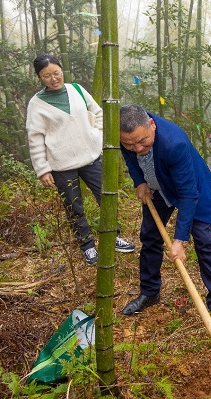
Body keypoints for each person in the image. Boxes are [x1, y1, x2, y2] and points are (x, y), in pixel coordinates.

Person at [119, 105, 211, 321]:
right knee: (150, 236)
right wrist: (140, 181)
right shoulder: (128, 136)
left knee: (203, 240)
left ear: (152, 125)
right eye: (129, 144)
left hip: (193, 189)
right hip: (158, 188)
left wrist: (179, 240)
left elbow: (188, 193)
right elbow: (130, 158)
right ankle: (150, 292)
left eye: (143, 141)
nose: (138, 148)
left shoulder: (174, 143)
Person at [26, 53, 135, 265]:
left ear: (61, 70)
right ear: (39, 77)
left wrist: (96, 134)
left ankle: (113, 237)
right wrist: (42, 169)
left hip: (90, 156)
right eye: (47, 76)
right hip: (61, 164)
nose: (54, 78)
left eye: (56, 73)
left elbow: (99, 112)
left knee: (106, 197)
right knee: (74, 207)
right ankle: (87, 246)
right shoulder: (37, 104)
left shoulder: (76, 89)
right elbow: (35, 137)